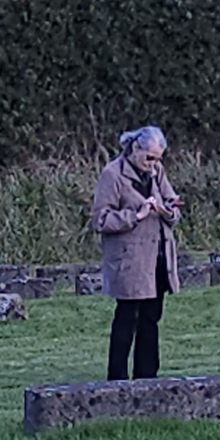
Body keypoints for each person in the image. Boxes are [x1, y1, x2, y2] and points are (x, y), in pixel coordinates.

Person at [91, 126, 183, 381]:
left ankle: (147, 378)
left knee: (151, 319)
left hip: (157, 257)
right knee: (127, 319)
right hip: (129, 260)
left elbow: (172, 204)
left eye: (158, 159)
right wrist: (136, 215)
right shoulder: (112, 174)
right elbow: (100, 220)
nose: (153, 164)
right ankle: (117, 379)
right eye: (149, 157)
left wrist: (166, 211)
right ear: (135, 148)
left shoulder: (157, 171)